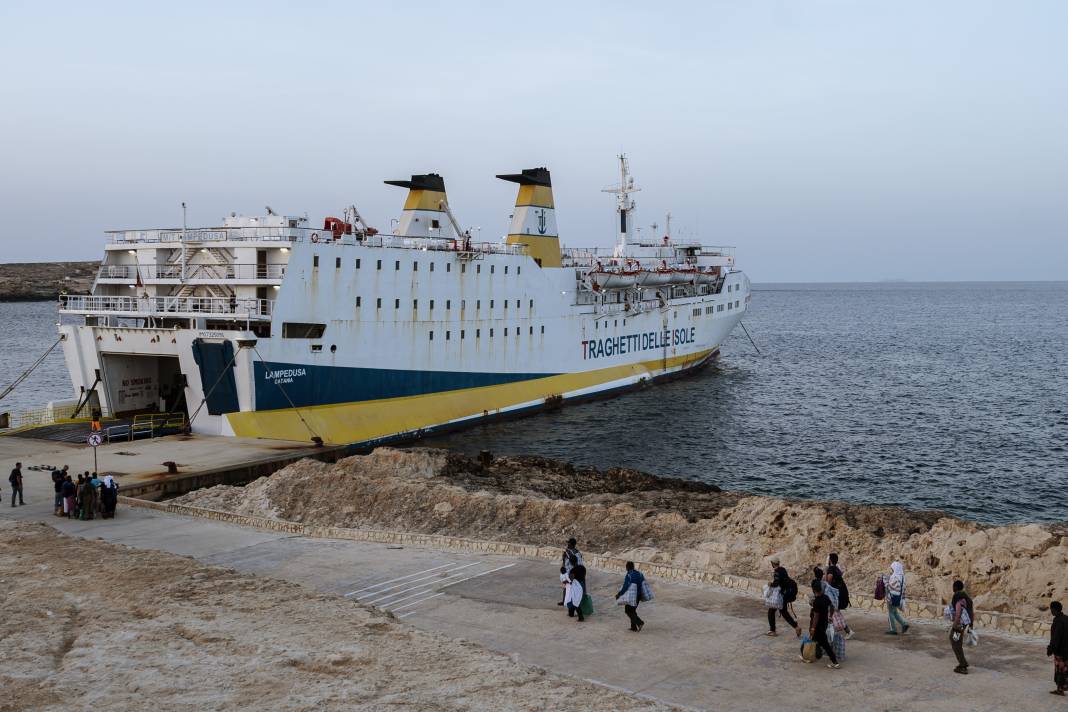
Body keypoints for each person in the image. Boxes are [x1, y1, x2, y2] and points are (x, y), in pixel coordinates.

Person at [803, 580, 840, 669]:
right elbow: (832, 606)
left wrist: (812, 628)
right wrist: (830, 616)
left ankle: (835, 662)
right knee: (816, 641)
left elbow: (816, 617)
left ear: (813, 590)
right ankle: (810, 655)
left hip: (818, 626)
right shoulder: (825, 597)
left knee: (823, 643)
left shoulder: (816, 602)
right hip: (824, 623)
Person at [767, 557, 801, 637]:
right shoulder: (783, 569)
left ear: (772, 563)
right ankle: (796, 627)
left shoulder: (777, 572)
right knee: (784, 612)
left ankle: (773, 630)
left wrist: (770, 584)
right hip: (785, 595)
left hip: (781, 596)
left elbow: (776, 584)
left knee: (771, 612)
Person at [949, 579, 975, 674]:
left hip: (958, 626)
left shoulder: (958, 597)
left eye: (953, 586)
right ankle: (962, 663)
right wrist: (971, 624)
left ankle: (963, 665)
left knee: (955, 642)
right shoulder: (966, 597)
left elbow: (958, 612)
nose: (952, 588)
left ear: (956, 587)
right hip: (964, 625)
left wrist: (955, 625)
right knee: (957, 642)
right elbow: (971, 612)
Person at [615, 561, 646, 632]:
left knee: (628, 610)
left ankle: (640, 622)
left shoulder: (629, 575)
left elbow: (625, 586)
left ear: (627, 567)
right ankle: (633, 627)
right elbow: (643, 584)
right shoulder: (639, 574)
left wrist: (619, 594)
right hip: (638, 595)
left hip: (632, 596)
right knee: (633, 610)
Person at [1048, 600, 1067, 695]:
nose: (1051, 611)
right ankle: (1062, 688)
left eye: (1051, 609)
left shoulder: (1058, 621)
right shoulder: (1066, 618)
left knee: (1060, 671)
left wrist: (1050, 649)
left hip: (1060, 651)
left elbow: (1056, 637)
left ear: (1055, 609)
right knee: (1065, 670)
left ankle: (1060, 690)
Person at [886, 561, 911, 635]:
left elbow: (891, 587)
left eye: (892, 568)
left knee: (890, 612)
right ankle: (904, 624)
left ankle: (893, 629)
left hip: (892, 597)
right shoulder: (902, 576)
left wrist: (886, 583)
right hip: (898, 597)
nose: (892, 570)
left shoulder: (894, 577)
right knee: (895, 612)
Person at [560, 538, 583, 605]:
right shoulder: (578, 552)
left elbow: (565, 562)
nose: (567, 544)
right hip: (578, 571)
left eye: (569, 543)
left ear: (572, 544)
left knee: (569, 587)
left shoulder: (568, 552)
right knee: (569, 587)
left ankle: (569, 602)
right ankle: (565, 601)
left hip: (571, 572)